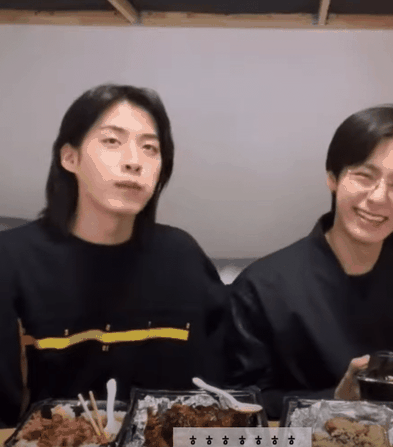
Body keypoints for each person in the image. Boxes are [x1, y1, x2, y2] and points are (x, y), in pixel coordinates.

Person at [0, 84, 226, 428]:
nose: (134, 162)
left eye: (150, 148)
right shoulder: (12, 260)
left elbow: (218, 387)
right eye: (111, 141)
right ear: (70, 158)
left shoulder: (183, 257)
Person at [227, 105, 393, 421]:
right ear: (333, 177)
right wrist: (336, 399)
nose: (379, 197)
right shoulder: (262, 286)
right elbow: (239, 399)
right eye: (364, 176)